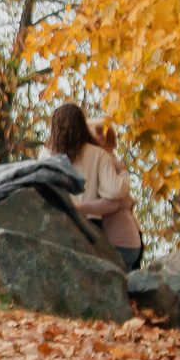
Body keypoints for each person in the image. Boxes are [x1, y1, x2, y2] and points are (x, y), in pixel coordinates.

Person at [55, 104, 143, 271]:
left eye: (90, 134)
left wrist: (78, 207)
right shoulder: (107, 162)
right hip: (126, 239)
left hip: (121, 241)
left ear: (102, 140)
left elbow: (115, 201)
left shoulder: (110, 163)